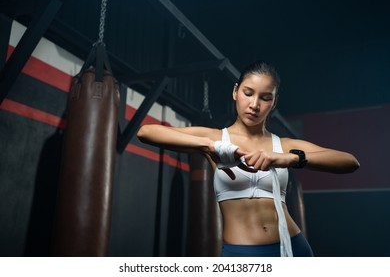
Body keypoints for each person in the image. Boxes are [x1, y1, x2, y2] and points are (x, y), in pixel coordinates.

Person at [137, 60, 360, 257]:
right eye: (248, 93)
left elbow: (349, 162)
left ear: (274, 102)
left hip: (292, 247)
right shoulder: (217, 138)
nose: (254, 104)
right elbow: (146, 132)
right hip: (241, 253)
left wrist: (289, 159)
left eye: (265, 98)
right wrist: (210, 146)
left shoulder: (283, 145)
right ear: (235, 91)